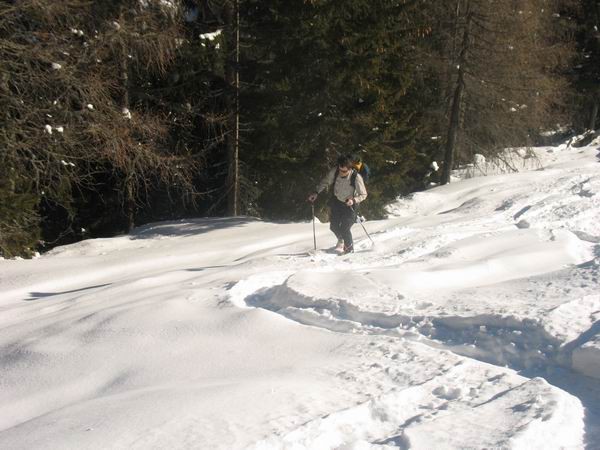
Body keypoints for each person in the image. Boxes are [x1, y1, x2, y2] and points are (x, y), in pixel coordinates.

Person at [307, 155, 368, 254]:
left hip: (350, 205)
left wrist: (354, 200)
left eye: (344, 171)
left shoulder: (356, 177)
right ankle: (341, 239)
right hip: (337, 202)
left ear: (350, 169)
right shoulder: (335, 171)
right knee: (333, 226)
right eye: (340, 169)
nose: (341, 172)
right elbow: (325, 182)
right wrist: (316, 192)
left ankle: (349, 251)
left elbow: (364, 194)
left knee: (345, 227)